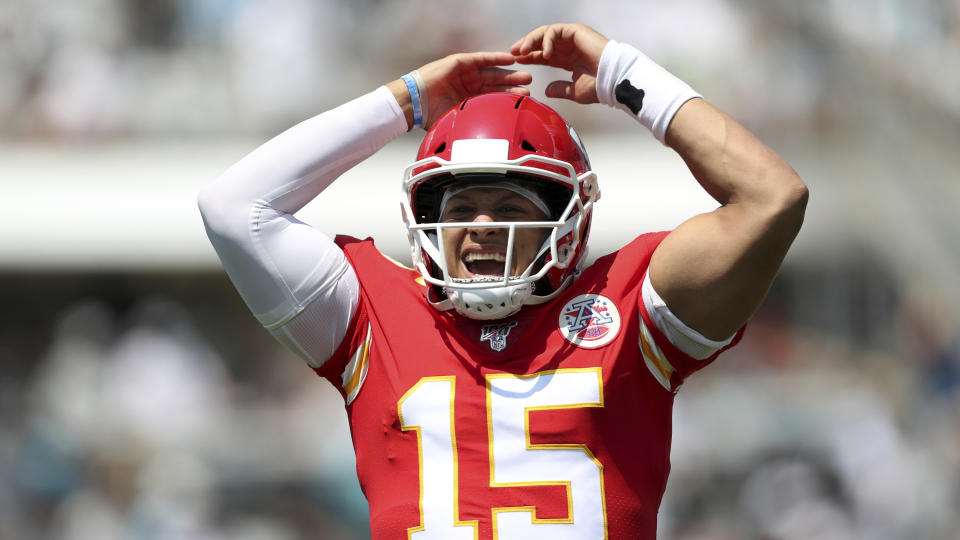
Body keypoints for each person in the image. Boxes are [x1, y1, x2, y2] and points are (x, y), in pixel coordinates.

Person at [199, 23, 807, 540]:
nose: (483, 228)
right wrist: (407, 99)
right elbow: (233, 208)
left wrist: (627, 74)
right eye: (461, 209)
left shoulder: (626, 299)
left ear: (567, 218)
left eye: (511, 206)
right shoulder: (371, 312)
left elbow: (771, 199)